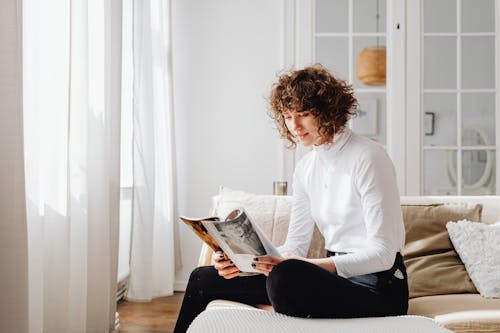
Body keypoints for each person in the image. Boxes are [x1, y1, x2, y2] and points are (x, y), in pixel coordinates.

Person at [173, 64, 408, 333]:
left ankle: (278, 309)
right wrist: (243, 263)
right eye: (286, 116)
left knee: (286, 276)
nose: (294, 126)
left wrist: (300, 266)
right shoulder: (307, 168)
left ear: (329, 111)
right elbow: (295, 246)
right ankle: (283, 308)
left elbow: (384, 255)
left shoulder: (369, 157)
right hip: (331, 281)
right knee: (204, 278)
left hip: (379, 288)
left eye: (304, 114)